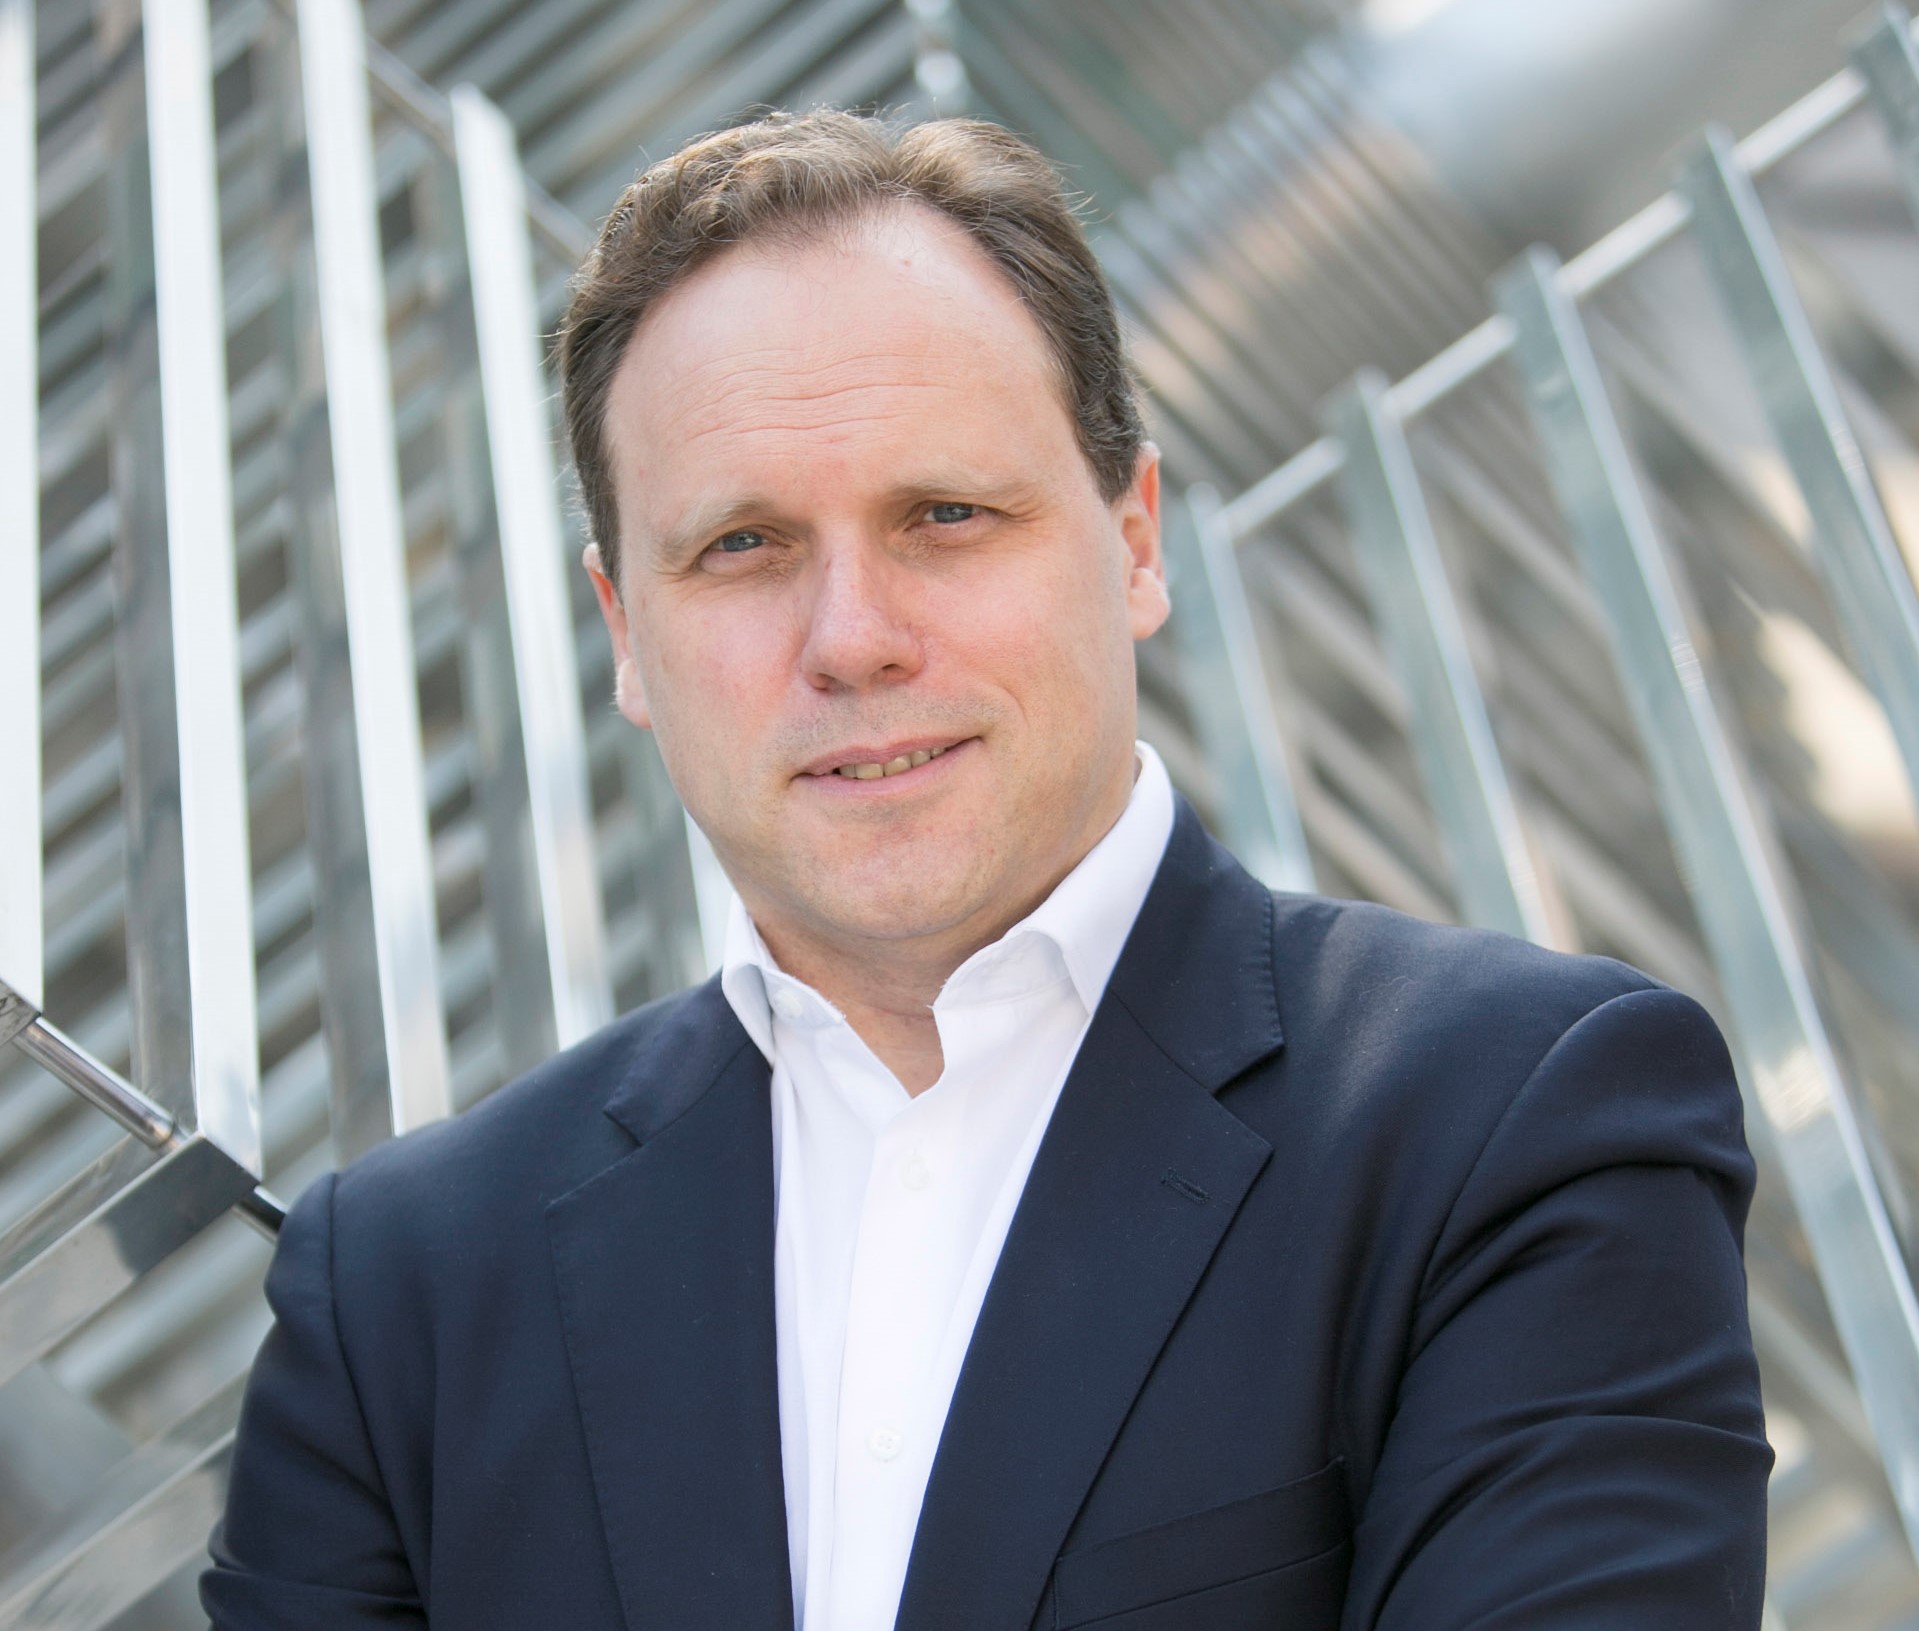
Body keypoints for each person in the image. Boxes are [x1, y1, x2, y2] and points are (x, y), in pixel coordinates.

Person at [201, 110, 1770, 1630]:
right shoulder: (399, 1300)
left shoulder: (1514, 1125)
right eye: (742, 546)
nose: (852, 639)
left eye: (945, 515)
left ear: (1134, 539)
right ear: (627, 632)